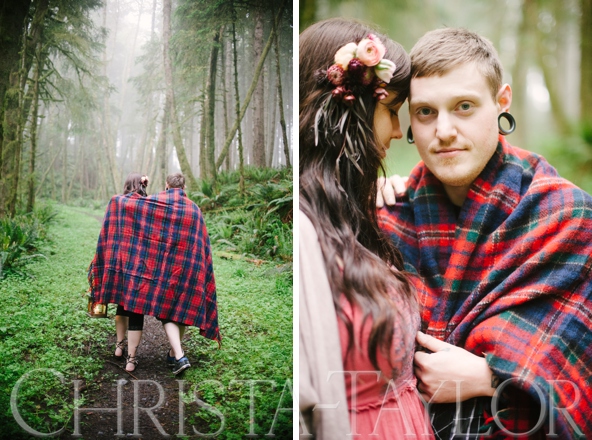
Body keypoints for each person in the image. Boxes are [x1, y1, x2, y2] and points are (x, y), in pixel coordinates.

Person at [377, 27, 592, 438]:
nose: (443, 130)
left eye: (463, 106)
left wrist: (489, 378)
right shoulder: (386, 218)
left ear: (501, 102)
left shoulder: (567, 219)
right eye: (426, 112)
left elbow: (581, 375)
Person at [299, 18, 434, 439]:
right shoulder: (305, 235)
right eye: (392, 111)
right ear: (350, 108)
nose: (398, 131)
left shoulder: (354, 218)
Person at [89, 172, 220, 376]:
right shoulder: (194, 209)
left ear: (167, 186)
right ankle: (174, 353)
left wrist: (139, 185)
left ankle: (170, 354)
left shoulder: (155, 201)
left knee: (163, 311)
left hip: (164, 268)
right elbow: (202, 242)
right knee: (180, 309)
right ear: (184, 188)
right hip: (187, 268)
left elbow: (130, 203)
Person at [113, 172, 149, 372]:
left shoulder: (117, 203)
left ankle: (119, 347)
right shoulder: (147, 204)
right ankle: (131, 359)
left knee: (122, 303)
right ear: (141, 185)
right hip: (140, 262)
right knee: (136, 308)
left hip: (120, 261)